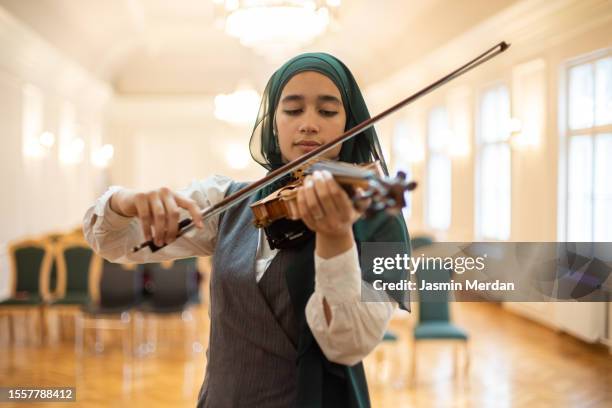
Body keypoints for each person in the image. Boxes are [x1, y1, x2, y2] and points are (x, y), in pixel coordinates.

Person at [83, 52, 411, 408]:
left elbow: (347, 345)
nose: (309, 124)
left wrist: (336, 238)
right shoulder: (230, 201)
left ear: (350, 124)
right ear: (273, 124)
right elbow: (113, 242)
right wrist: (124, 202)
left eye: (328, 111)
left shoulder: (380, 220)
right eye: (293, 109)